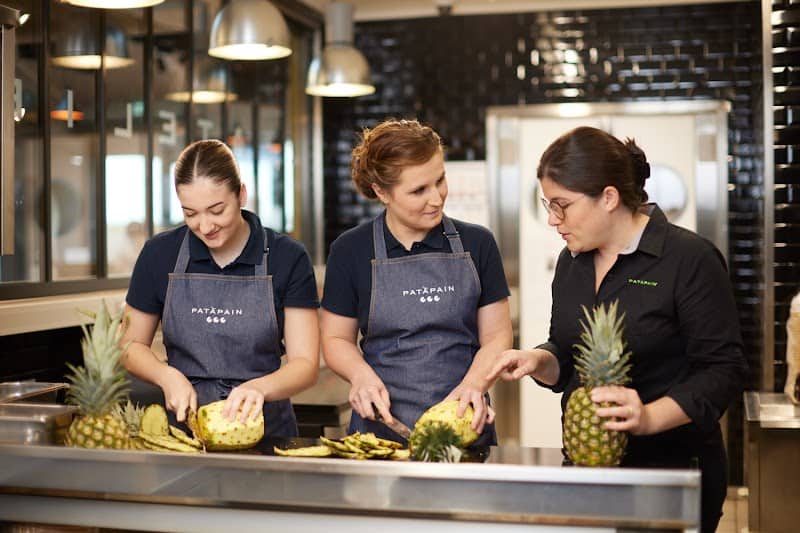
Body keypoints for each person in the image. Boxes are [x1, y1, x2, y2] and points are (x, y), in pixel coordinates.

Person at [486, 126, 747, 532]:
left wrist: (649, 417)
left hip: (673, 471)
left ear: (608, 198)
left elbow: (723, 370)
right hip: (587, 469)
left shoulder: (689, 258)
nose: (553, 220)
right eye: (548, 205)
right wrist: (538, 359)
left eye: (562, 206)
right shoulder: (572, 262)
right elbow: (567, 353)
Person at [321, 119, 513, 444]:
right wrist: (360, 375)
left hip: (465, 425)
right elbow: (336, 339)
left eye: (440, 180)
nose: (436, 198)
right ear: (381, 192)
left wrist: (474, 385)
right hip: (380, 432)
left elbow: (497, 336)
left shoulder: (477, 243)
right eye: (418, 190)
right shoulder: (350, 250)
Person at [121, 139, 320, 436]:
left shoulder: (287, 257)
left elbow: (305, 364)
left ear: (241, 194)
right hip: (184, 433)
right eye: (190, 213)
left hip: (266, 432)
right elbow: (129, 346)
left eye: (216, 210)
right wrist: (166, 376)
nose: (205, 226)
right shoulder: (159, 254)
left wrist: (259, 388)